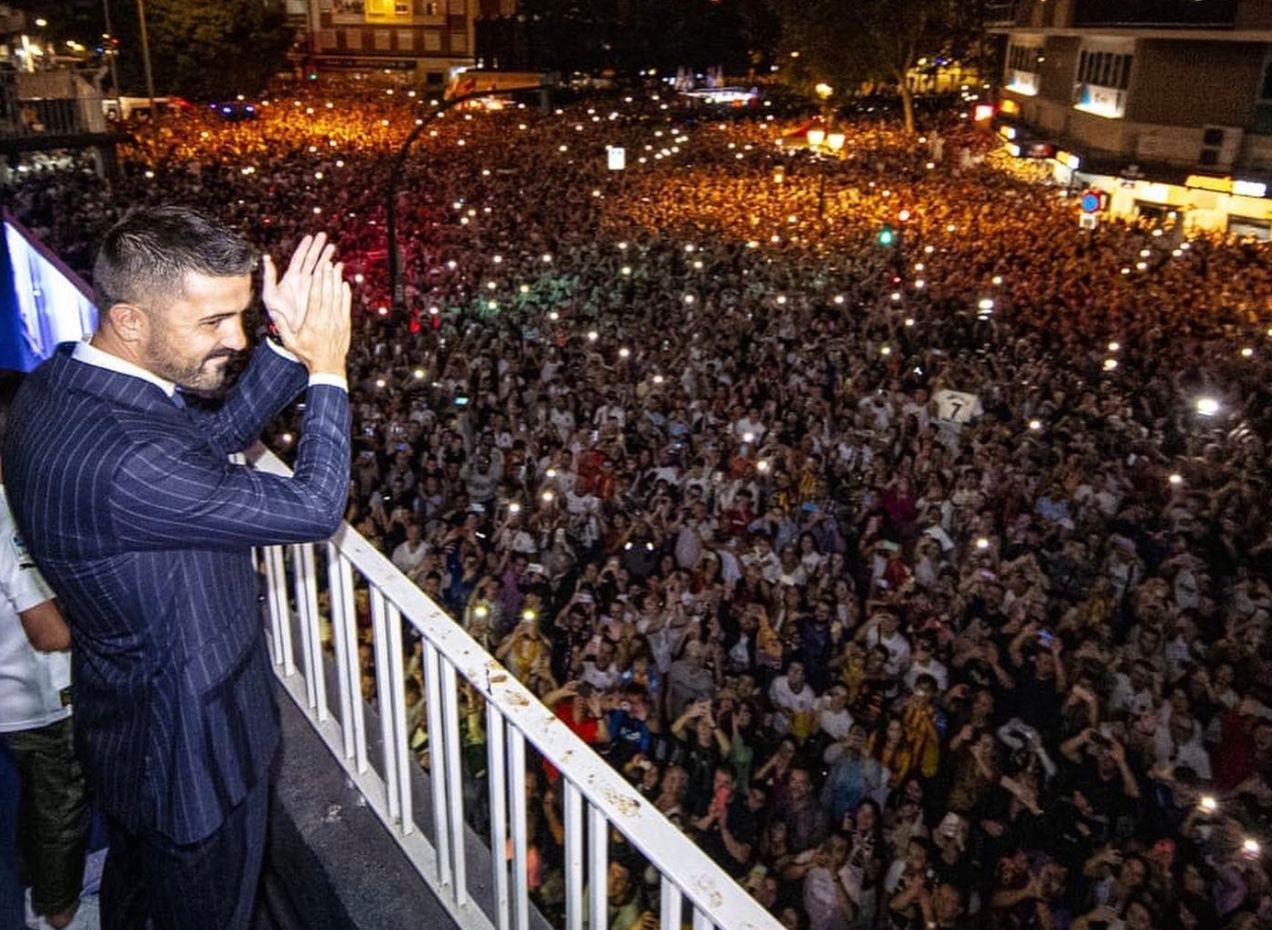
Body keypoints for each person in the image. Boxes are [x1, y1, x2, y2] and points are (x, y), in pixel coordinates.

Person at [2, 207, 352, 930]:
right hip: (194, 753)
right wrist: (327, 370)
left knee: (138, 888)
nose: (237, 339)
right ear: (131, 319)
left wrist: (284, 348)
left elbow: (208, 435)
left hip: (127, 721)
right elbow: (316, 507)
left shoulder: (62, 384)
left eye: (243, 316)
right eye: (214, 322)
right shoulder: (130, 459)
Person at [0, 372, 91, 930]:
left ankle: (38, 887)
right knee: (63, 805)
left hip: (13, 697)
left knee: (39, 800)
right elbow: (51, 633)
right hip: (41, 697)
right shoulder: (7, 513)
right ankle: (56, 916)